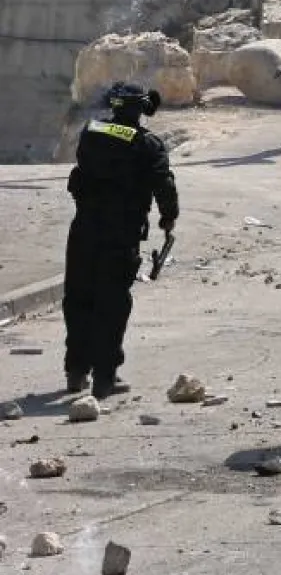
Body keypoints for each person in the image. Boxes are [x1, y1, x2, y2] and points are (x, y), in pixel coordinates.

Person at [64, 82, 179, 399]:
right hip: (121, 232)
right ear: (141, 109)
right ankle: (104, 377)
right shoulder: (147, 144)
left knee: (79, 297)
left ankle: (76, 370)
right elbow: (163, 185)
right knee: (112, 302)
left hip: (84, 227)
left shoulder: (91, 131)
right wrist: (169, 219)